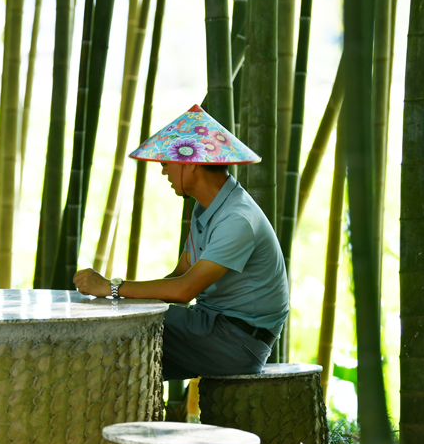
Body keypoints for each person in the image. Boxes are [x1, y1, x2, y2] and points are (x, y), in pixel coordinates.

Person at [74, 105, 289, 380]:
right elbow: (180, 273)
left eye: (165, 162)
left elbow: (184, 289)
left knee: (116, 331)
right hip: (212, 326)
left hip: (237, 342)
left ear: (190, 163)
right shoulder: (204, 207)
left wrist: (111, 288)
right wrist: (124, 301)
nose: (163, 171)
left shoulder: (237, 219)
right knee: (119, 356)